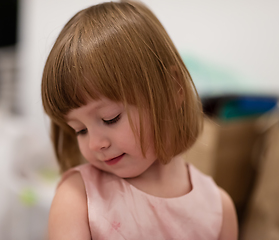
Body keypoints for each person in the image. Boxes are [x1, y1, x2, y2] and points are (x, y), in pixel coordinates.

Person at [41, 1, 238, 239]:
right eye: (80, 130)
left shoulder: (218, 209)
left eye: (110, 118)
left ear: (172, 89)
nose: (95, 144)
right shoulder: (78, 197)